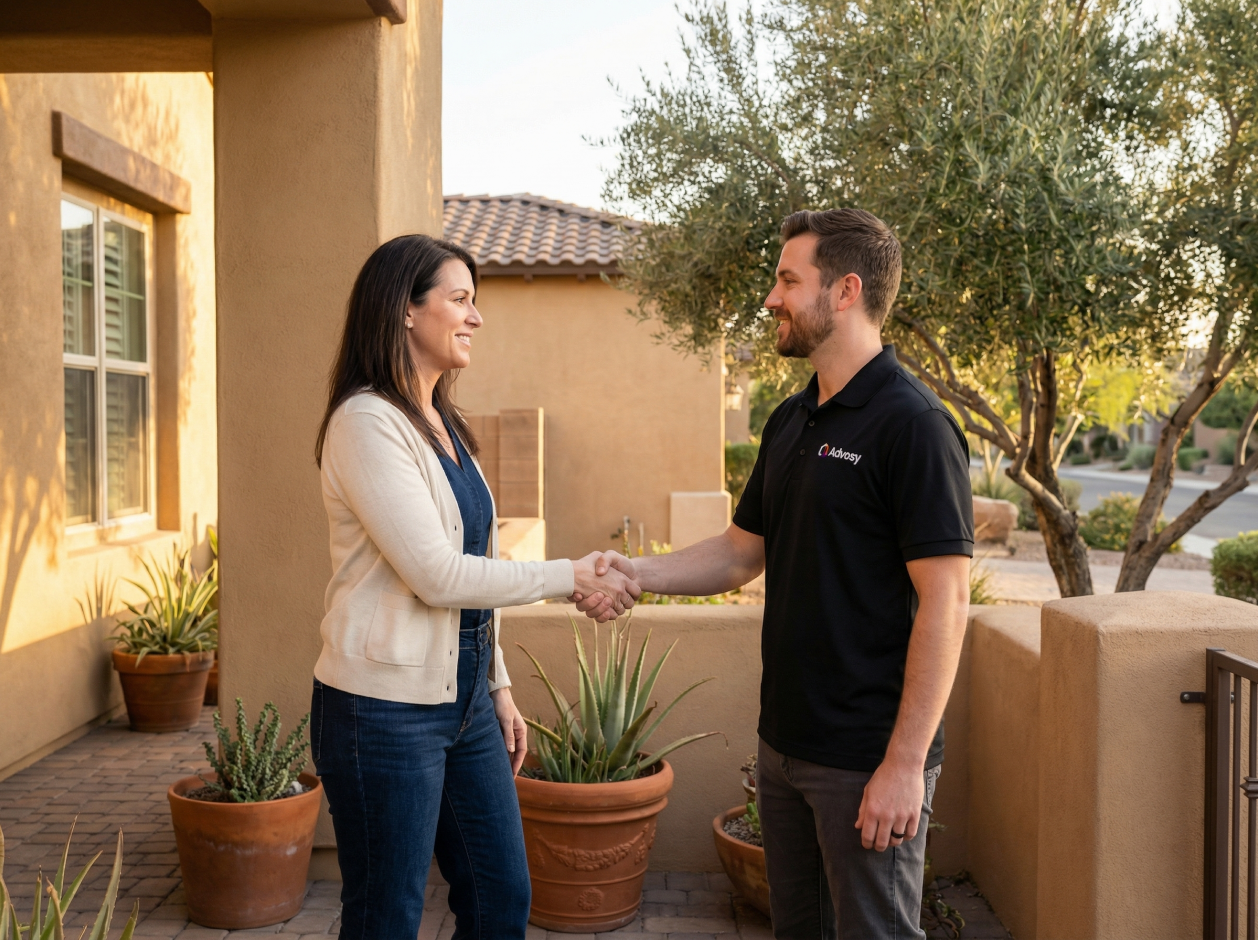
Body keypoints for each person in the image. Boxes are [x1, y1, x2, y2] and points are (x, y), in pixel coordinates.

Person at [575, 208, 973, 940]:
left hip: (867, 756)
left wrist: (903, 764)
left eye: (788, 280)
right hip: (786, 746)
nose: (770, 298)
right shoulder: (792, 420)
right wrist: (633, 570)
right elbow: (738, 552)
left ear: (846, 290)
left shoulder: (913, 425)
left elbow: (946, 603)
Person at [310, 234, 639, 939]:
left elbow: (471, 566)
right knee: (385, 916)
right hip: (383, 713)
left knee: (500, 898)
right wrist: (569, 575)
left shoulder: (444, 423)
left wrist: (497, 685)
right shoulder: (367, 422)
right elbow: (437, 574)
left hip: (464, 706)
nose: (475, 317)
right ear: (404, 309)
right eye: (460, 299)